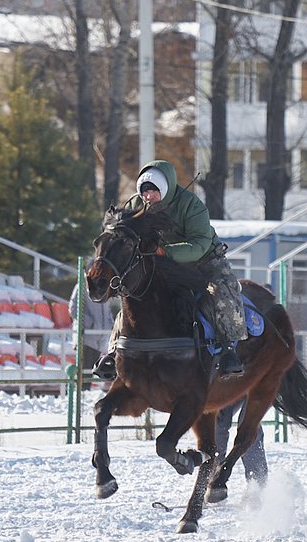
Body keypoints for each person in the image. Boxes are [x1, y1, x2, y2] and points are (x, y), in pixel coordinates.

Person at [93, 159, 246, 379]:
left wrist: (165, 252)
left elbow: (200, 244)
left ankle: (229, 349)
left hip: (204, 261)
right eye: (144, 191)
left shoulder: (191, 205)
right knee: (132, 294)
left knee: (223, 291)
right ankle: (113, 351)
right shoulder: (135, 205)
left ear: (166, 188)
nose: (148, 197)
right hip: (161, 264)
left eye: (153, 191)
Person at [214, 399, 268, 484]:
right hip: (230, 387)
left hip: (259, 387)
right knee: (217, 420)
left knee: (248, 424)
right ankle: (211, 475)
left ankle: (257, 484)